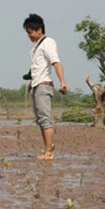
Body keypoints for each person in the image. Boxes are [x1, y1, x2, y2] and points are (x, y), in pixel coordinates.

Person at [23, 13, 68, 160]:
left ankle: (49, 152)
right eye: (27, 33)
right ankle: (46, 150)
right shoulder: (36, 47)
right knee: (41, 119)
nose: (29, 36)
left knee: (45, 119)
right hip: (37, 85)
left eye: (30, 32)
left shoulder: (48, 42)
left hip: (43, 86)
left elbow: (56, 62)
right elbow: (38, 68)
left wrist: (63, 82)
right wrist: (32, 83)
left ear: (39, 30)